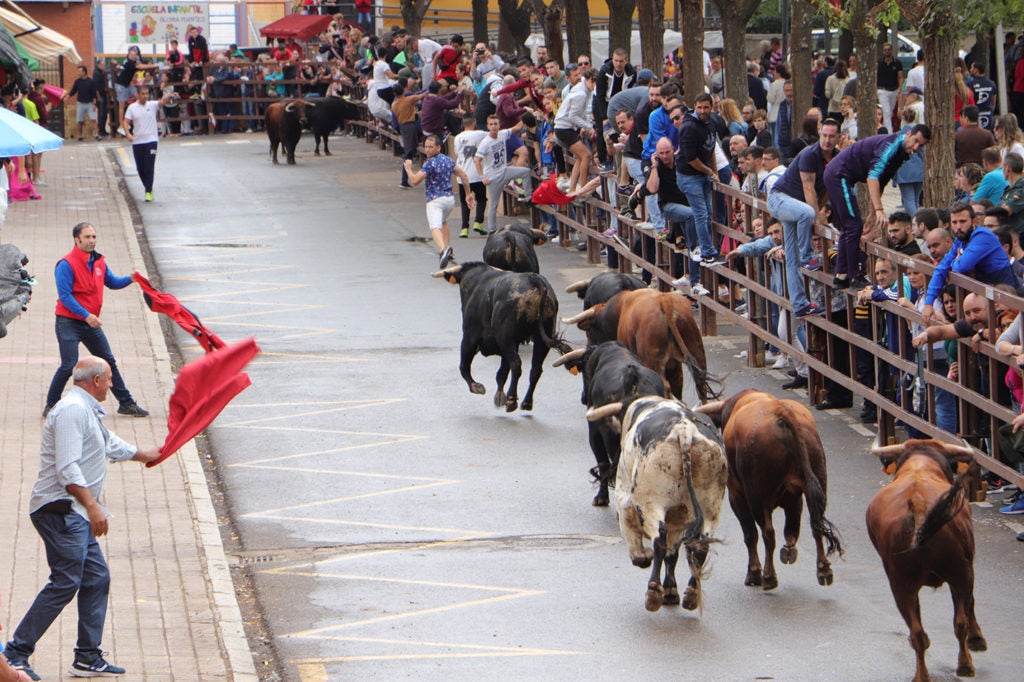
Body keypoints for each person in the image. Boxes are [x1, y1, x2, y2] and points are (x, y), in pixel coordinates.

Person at [3, 357, 160, 681]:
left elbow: (106, 442)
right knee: (66, 581)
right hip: (60, 509)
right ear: (98, 380)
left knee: (96, 578)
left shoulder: (84, 408)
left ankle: (87, 657)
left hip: (71, 510)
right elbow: (67, 469)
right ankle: (16, 653)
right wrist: (93, 506)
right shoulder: (73, 410)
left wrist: (144, 454)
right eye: (110, 379)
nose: (113, 385)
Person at [43, 223, 149, 419]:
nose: (92, 241)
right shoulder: (66, 264)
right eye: (87, 237)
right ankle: (51, 404)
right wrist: (87, 315)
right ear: (77, 240)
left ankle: (126, 403)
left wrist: (132, 278)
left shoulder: (99, 261)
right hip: (69, 322)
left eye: (94, 237)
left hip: (90, 323)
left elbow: (112, 282)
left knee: (108, 362)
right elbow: (65, 296)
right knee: (68, 365)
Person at [824, 124, 932, 287]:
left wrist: (872, 213)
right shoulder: (891, 145)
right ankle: (852, 275)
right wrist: (880, 210)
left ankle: (841, 274)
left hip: (844, 177)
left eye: (921, 146)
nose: (916, 147)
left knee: (851, 226)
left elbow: (882, 181)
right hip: (839, 175)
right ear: (908, 134)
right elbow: (873, 176)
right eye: (915, 141)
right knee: (853, 225)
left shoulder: (902, 154)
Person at [767, 118, 840, 318]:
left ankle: (799, 304)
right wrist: (817, 220)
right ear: (819, 134)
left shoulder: (837, 158)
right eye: (824, 135)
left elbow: (826, 188)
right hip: (780, 198)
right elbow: (809, 190)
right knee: (807, 212)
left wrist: (823, 214)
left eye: (831, 136)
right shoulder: (809, 155)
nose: (827, 140)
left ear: (838, 137)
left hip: (796, 209)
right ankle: (808, 257)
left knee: (792, 258)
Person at [921, 202, 1018, 325]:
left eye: (963, 221)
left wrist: (955, 261)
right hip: (985, 299)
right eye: (954, 222)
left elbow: (962, 266)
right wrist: (929, 303)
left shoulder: (983, 236)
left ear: (974, 221)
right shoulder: (960, 240)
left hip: (1006, 298)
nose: (958, 227)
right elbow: (941, 268)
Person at [405, 134, 474, 268]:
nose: (428, 150)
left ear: (438, 147)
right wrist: (468, 193)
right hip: (449, 200)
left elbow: (414, 181)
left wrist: (408, 169)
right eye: (426, 147)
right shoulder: (448, 160)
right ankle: (448, 247)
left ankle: (443, 250)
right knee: (443, 222)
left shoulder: (430, 164)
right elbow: (463, 175)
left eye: (431, 147)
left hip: (435, 200)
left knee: (435, 227)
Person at [677, 93, 724, 267]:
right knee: (701, 214)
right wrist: (709, 172)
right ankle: (707, 252)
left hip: (703, 174)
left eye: (706, 107)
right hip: (690, 176)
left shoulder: (711, 123)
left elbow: (710, 149)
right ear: (694, 107)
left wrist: (714, 172)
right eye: (699, 107)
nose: (703, 111)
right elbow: (691, 159)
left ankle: (707, 247)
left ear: (711, 107)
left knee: (709, 213)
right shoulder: (689, 127)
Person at [475, 115, 532, 233]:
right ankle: (492, 230)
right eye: (491, 124)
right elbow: (477, 160)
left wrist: (528, 116)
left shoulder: (503, 134)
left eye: (495, 124)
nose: (493, 127)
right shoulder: (485, 143)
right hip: (493, 177)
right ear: (487, 126)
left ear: (499, 125)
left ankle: (528, 198)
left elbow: (516, 128)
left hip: (504, 170)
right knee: (493, 205)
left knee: (526, 172)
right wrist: (482, 177)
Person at [124, 85, 170, 203]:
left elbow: (162, 102)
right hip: (138, 142)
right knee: (141, 168)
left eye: (146, 94)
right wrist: (128, 133)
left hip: (151, 141)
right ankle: (148, 186)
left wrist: (169, 96)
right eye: (143, 94)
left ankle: (148, 191)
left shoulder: (152, 105)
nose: (145, 96)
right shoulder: (132, 108)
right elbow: (126, 121)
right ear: (137, 95)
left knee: (149, 166)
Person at [452, 115, 488, 238]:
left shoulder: (457, 138)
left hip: (462, 174)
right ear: (474, 122)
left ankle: (464, 228)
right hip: (477, 173)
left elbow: (457, 152)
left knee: (464, 201)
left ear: (463, 124)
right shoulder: (480, 134)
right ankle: (478, 221)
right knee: (481, 199)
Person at [64, 66, 99, 142]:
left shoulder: (91, 82)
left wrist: (95, 104)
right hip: (80, 103)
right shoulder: (77, 82)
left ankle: (97, 134)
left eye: (80, 71)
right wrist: (68, 96)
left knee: (93, 119)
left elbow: (94, 93)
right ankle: (80, 135)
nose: (78, 73)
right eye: (78, 71)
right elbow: (73, 91)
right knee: (79, 120)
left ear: (84, 72)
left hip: (89, 103)